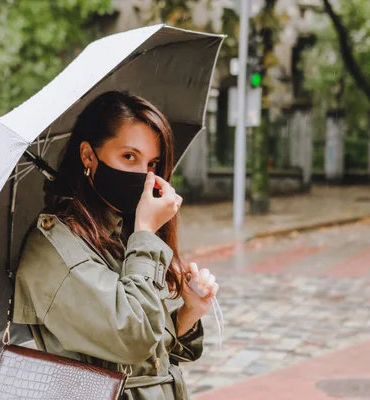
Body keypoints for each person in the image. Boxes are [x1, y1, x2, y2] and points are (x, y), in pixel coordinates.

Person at [13, 91, 219, 399]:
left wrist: (188, 313)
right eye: (129, 157)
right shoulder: (54, 247)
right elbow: (134, 338)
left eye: (153, 163)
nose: (144, 176)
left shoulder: (120, 230)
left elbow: (153, 357)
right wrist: (147, 232)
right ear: (88, 156)